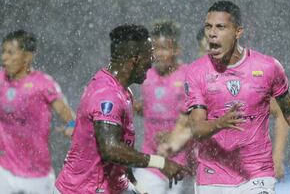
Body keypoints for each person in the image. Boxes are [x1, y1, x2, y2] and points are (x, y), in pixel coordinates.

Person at [183, 1, 290, 194]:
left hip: (257, 174)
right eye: (208, 26)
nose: (212, 33)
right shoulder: (196, 72)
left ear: (238, 32)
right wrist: (220, 123)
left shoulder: (268, 67)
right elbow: (196, 129)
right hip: (213, 177)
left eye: (220, 27)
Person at [55, 24, 190, 194]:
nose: (152, 61)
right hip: (82, 190)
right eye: (149, 55)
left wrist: (128, 178)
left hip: (110, 186)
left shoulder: (124, 91)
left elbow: (118, 143)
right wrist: (161, 163)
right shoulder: (107, 94)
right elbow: (110, 148)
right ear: (135, 59)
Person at [0, 30, 76, 193]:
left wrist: (72, 126)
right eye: (3, 52)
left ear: (27, 56)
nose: (4, 57)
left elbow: (69, 116)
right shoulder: (1, 80)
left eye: (10, 52)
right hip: (4, 170)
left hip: (36, 175)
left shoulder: (43, 84)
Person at [133, 20, 194, 194]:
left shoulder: (187, 76)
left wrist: (173, 136)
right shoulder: (146, 76)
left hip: (178, 161)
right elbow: (151, 108)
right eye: (155, 48)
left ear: (176, 50)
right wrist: (139, 109)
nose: (158, 54)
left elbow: (192, 119)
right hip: (151, 158)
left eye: (164, 49)